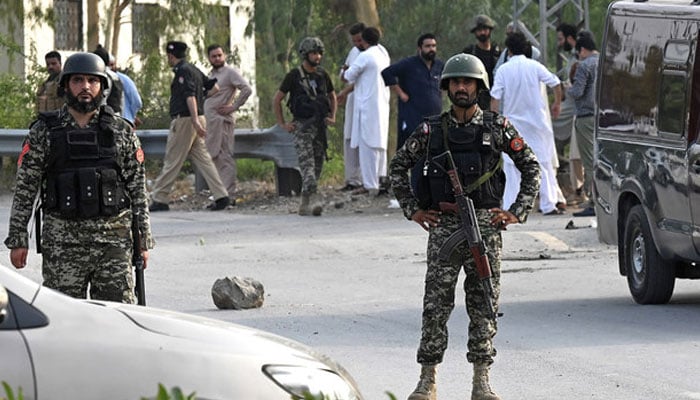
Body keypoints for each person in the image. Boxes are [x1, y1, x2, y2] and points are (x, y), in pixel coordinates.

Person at [389, 53, 540, 400]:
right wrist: (413, 209)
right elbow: (398, 168)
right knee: (436, 305)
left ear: (478, 87)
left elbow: (531, 166)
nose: (461, 87)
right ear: (446, 88)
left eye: (467, 82)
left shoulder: (497, 128)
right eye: (455, 82)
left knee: (484, 303)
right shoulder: (430, 130)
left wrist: (516, 211)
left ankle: (481, 381)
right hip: (443, 226)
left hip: (484, 227)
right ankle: (427, 380)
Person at [4, 52, 154, 303]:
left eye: (92, 81)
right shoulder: (44, 132)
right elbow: (26, 187)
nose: (85, 87)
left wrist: (143, 240)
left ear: (102, 87)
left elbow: (137, 189)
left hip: (112, 243)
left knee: (117, 320)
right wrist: (19, 238)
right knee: (64, 321)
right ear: (65, 86)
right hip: (63, 244)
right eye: (77, 80)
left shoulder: (121, 131)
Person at [149, 41, 231, 212]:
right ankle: (221, 196)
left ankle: (159, 198)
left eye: (168, 57)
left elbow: (190, 96)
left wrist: (193, 118)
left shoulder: (183, 71)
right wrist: (201, 104)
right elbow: (214, 88)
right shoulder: (193, 69)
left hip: (186, 120)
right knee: (204, 159)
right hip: (199, 118)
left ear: (171, 56)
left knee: (173, 159)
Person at [490, 31, 564, 216]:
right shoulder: (535, 66)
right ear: (526, 48)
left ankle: (511, 207)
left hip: (513, 126)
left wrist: (493, 121)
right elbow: (555, 83)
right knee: (543, 163)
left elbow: (495, 97)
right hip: (537, 124)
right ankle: (548, 204)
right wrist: (557, 104)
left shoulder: (503, 70)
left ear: (509, 51)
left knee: (511, 165)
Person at [273, 37, 337, 216]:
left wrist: (332, 116)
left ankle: (304, 203)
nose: (317, 57)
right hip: (302, 126)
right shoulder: (294, 75)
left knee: (317, 165)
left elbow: (332, 96)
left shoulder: (323, 75)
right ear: (305, 54)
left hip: (320, 127)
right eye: (313, 53)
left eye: (319, 53)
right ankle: (314, 200)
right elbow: (277, 99)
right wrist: (283, 124)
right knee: (307, 166)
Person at [343, 27, 391, 196]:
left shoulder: (365, 56)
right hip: (382, 105)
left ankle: (370, 184)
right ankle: (380, 179)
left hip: (367, 107)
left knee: (367, 145)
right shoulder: (383, 53)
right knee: (380, 145)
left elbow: (348, 75)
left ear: (364, 40)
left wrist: (343, 70)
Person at [204, 44, 253, 202]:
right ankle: (220, 194)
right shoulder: (211, 75)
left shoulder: (230, 72)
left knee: (225, 156)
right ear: (209, 58)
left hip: (222, 121)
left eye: (219, 55)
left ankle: (228, 195)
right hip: (211, 123)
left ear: (224, 56)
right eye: (214, 56)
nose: (217, 58)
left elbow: (246, 89)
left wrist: (234, 106)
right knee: (215, 156)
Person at [381, 33, 444, 150]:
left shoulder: (439, 66)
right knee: (412, 154)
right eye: (428, 46)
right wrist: (400, 93)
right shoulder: (409, 64)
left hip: (434, 118)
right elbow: (387, 73)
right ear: (420, 48)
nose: (431, 49)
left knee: (433, 153)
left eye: (434, 46)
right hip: (413, 117)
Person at [554, 23, 586, 205]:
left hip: (577, 108)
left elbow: (579, 88)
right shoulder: (573, 58)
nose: (559, 43)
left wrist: (568, 89)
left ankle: (579, 190)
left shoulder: (580, 59)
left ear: (569, 38)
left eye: (560, 39)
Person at [568, 32, 599, 217]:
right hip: (602, 118)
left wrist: (567, 89)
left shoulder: (584, 65)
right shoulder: (605, 62)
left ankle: (593, 202)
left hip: (585, 118)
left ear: (582, 49)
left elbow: (578, 92)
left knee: (589, 161)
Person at [336, 22, 366, 192]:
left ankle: (364, 179)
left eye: (359, 40)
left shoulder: (372, 53)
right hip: (352, 101)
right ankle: (351, 179)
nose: (357, 44)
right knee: (349, 138)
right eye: (354, 41)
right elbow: (345, 76)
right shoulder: (354, 52)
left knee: (364, 139)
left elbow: (361, 81)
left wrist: (344, 92)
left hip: (364, 100)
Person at [462, 14, 501, 111]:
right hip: (474, 99)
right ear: (475, 32)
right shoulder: (469, 53)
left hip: (495, 99)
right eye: (479, 30)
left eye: (485, 29)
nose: (482, 32)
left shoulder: (498, 53)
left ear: (490, 30)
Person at [109, 54, 143, 127]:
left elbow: (137, 102)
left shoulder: (124, 80)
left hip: (125, 121)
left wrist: (132, 116)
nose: (110, 67)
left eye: (112, 65)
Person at [93, 45, 124, 114]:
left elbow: (103, 98)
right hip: (117, 115)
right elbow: (121, 99)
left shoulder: (104, 76)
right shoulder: (115, 76)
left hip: (106, 117)